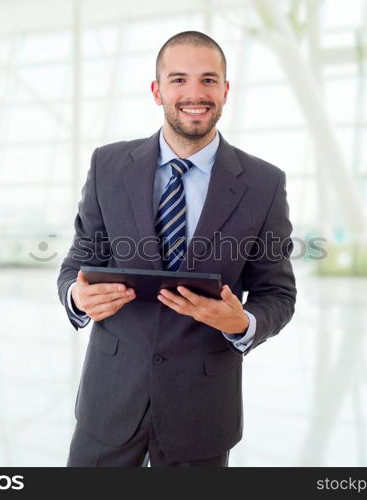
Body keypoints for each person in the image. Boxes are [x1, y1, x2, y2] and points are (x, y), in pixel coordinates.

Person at [57, 30, 296, 467]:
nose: (194, 93)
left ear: (225, 90)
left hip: (201, 409)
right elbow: (78, 262)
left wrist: (242, 322)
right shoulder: (108, 166)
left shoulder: (264, 184)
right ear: (157, 90)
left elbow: (277, 294)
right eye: (179, 79)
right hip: (110, 401)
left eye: (208, 80)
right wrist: (77, 295)